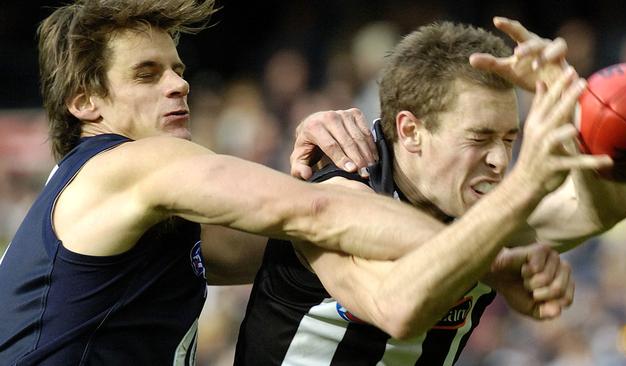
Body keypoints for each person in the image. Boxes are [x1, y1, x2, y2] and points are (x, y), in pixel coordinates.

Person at [0, 1, 534, 364]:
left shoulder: (132, 217)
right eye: (147, 73)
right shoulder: (127, 163)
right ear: (84, 103)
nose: (178, 84)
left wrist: (320, 159)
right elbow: (317, 215)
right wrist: (493, 253)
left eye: (177, 68)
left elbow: (298, 239)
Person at [233, 18, 626, 365]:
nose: (500, 160)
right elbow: (396, 304)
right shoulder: (342, 194)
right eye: (480, 138)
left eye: (510, 139)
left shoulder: (482, 208)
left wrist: (581, 105)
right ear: (410, 131)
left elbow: (601, 211)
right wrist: (525, 187)